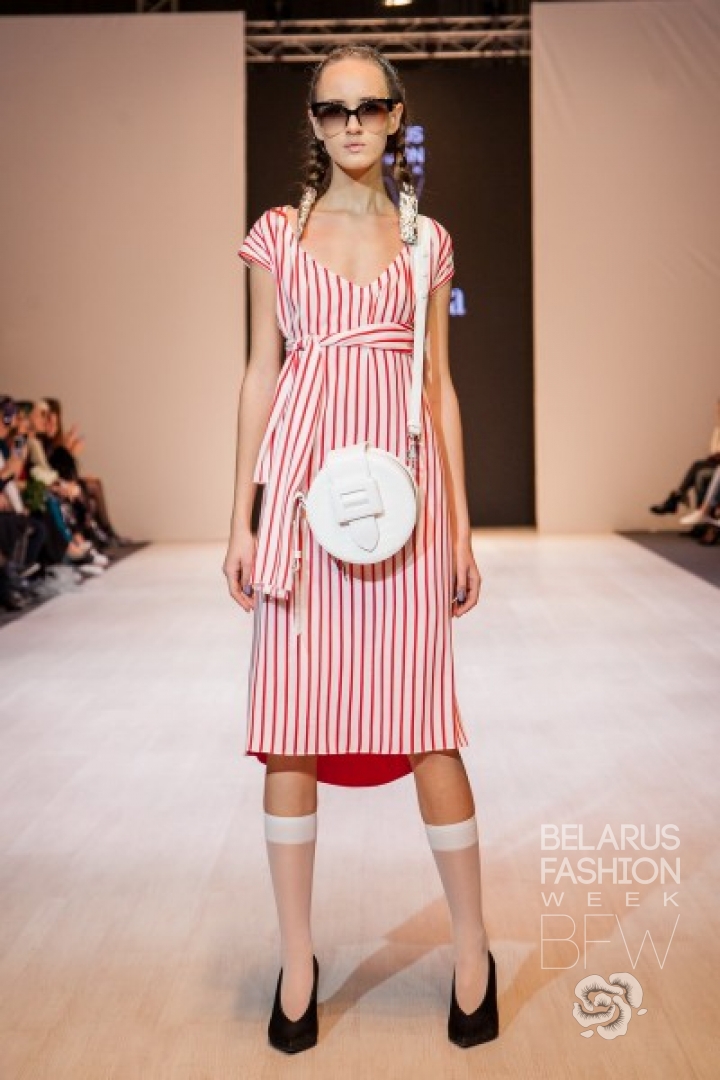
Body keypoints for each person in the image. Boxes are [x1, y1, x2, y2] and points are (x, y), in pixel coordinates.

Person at [223, 44, 498, 1053]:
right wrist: (242, 517)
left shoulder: (428, 242)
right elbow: (261, 374)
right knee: (290, 727)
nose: (351, 124)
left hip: (406, 511)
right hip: (304, 506)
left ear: (394, 117)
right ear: (313, 120)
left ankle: (472, 950)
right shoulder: (278, 234)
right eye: (333, 109)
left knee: (428, 724)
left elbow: (439, 388)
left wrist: (461, 527)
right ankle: (298, 961)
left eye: (368, 107)